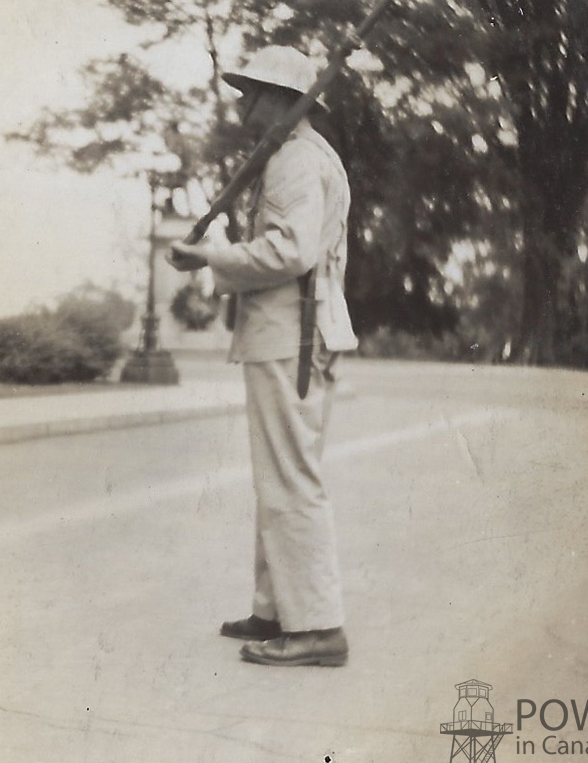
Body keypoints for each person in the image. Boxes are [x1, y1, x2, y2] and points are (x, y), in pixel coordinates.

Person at [168, 46, 358, 666]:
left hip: (293, 336)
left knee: (290, 481)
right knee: (280, 477)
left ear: (281, 99)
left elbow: (288, 253)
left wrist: (210, 256)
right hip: (294, 333)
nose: (244, 104)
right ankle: (277, 610)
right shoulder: (299, 156)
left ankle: (318, 627)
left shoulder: (296, 162)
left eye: (252, 92)